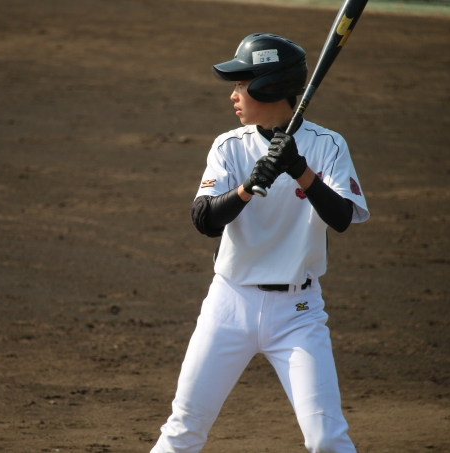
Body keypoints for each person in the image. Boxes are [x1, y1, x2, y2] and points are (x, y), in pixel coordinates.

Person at [151, 33, 369, 453]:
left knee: (327, 439)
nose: (233, 95)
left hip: (299, 313)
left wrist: (300, 170)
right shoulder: (229, 146)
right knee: (184, 429)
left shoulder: (327, 146)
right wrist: (247, 187)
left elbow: (341, 218)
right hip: (229, 305)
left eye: (241, 84)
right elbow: (204, 220)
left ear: (269, 86)